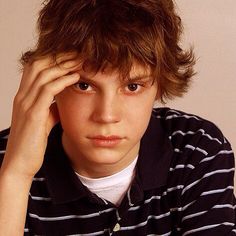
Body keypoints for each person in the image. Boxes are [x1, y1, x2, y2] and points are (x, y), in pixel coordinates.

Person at [0, 0, 235, 235]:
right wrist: (16, 175)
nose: (107, 115)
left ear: (160, 85)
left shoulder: (198, 152)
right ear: (49, 85)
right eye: (84, 85)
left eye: (132, 86)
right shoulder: (7, 161)